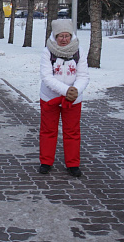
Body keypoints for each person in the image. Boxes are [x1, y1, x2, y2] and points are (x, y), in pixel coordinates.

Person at [39, 19, 89, 177]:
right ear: (55, 35)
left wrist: (75, 91)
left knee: (72, 131)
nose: (64, 39)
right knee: (48, 130)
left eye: (67, 35)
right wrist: (66, 90)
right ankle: (46, 161)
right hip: (50, 97)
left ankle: (73, 163)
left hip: (73, 99)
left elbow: (83, 75)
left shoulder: (79, 51)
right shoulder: (48, 51)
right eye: (60, 36)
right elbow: (46, 77)